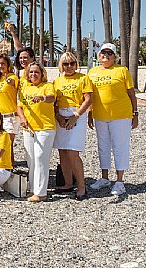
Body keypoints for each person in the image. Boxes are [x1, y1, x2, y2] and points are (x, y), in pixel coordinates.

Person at [88, 43, 138, 196]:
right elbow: (89, 95)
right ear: (99, 55)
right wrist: (90, 114)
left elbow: (131, 94)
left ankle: (120, 181)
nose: (106, 55)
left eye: (110, 53)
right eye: (103, 52)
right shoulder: (92, 72)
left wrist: (135, 113)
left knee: (119, 147)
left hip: (121, 116)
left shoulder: (122, 70)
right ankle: (104, 178)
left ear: (114, 56)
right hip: (100, 116)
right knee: (103, 146)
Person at [54, 52, 93, 200]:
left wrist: (76, 116)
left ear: (76, 64)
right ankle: (68, 183)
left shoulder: (83, 78)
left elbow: (88, 99)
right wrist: (58, 116)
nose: (69, 66)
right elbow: (55, 102)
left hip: (76, 114)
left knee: (73, 153)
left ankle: (82, 187)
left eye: (72, 63)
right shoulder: (57, 81)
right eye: (65, 64)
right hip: (61, 116)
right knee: (62, 151)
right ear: (61, 65)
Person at [17, 62, 56, 203]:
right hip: (29, 128)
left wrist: (43, 98)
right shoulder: (25, 88)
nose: (33, 74)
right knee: (31, 159)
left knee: (41, 158)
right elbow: (19, 106)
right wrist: (22, 119)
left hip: (45, 128)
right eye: (31, 72)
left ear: (42, 74)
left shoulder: (47, 86)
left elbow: (52, 98)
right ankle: (33, 188)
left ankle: (41, 192)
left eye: (36, 72)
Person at [0, 53, 19, 163]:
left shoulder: (13, 77)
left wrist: (11, 82)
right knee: (1, 145)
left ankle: (10, 168)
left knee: (7, 145)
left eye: (3, 63)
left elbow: (14, 84)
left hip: (10, 117)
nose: (1, 66)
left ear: (8, 64)